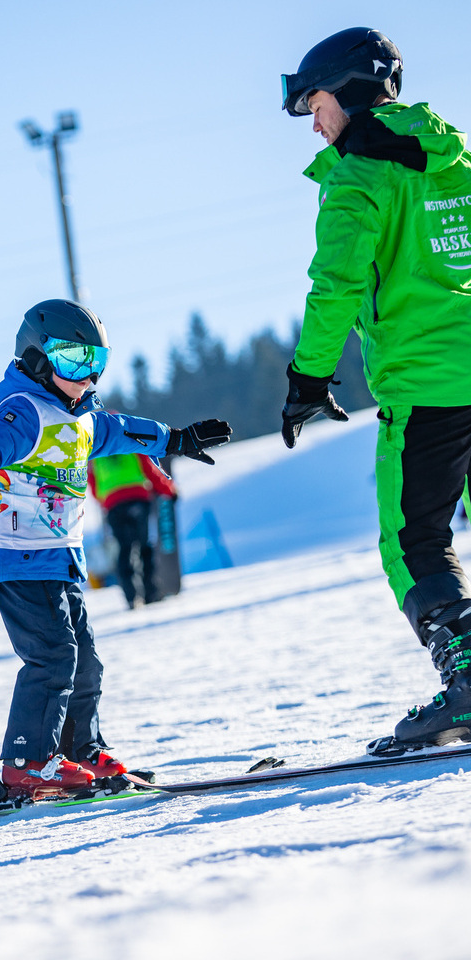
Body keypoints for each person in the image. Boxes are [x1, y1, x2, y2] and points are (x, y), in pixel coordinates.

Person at [0, 299, 231, 796]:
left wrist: (178, 438)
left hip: (60, 560)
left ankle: (81, 751)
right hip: (18, 559)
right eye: (75, 361)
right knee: (53, 657)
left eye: (96, 363)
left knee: (85, 659)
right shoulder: (25, 412)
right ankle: (29, 761)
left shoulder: (81, 417)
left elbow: (123, 431)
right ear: (38, 358)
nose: (89, 377)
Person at [280, 27, 471, 748]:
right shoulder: (457, 156)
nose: (315, 121)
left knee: (414, 539)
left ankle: (470, 684)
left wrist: (308, 377)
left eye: (315, 102)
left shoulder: (358, 174)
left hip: (425, 388)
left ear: (348, 89)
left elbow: (337, 284)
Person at [88, 450, 177, 608]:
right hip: (138, 497)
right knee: (144, 545)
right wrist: (168, 490)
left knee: (124, 549)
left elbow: (92, 479)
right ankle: (151, 593)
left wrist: (104, 500)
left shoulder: (97, 448)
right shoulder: (130, 441)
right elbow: (149, 468)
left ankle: (131, 597)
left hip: (113, 503)